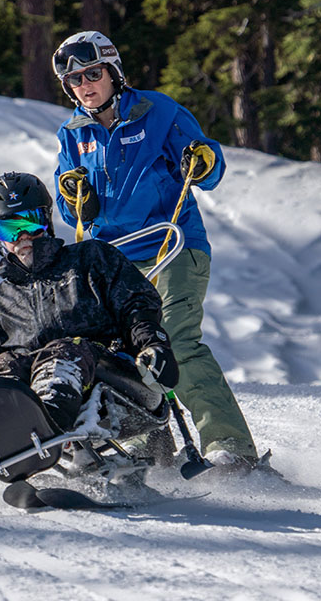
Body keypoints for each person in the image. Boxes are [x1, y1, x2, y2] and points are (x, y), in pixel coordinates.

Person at [48, 30, 258, 472]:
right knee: (122, 350)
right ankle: (150, 447)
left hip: (173, 243)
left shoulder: (156, 111)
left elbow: (211, 168)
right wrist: (74, 196)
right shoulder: (72, 134)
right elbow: (72, 211)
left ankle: (231, 448)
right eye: (74, 81)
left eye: (92, 74)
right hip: (116, 260)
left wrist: (202, 159)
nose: (84, 86)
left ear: (113, 71)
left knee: (175, 340)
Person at [0, 172, 179, 462]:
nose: (23, 237)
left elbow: (137, 306)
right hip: (42, 400)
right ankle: (9, 444)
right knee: (4, 366)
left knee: (64, 349)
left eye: (31, 222)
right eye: (10, 229)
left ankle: (46, 432)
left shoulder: (91, 259)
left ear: (47, 222)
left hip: (121, 389)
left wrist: (153, 344)